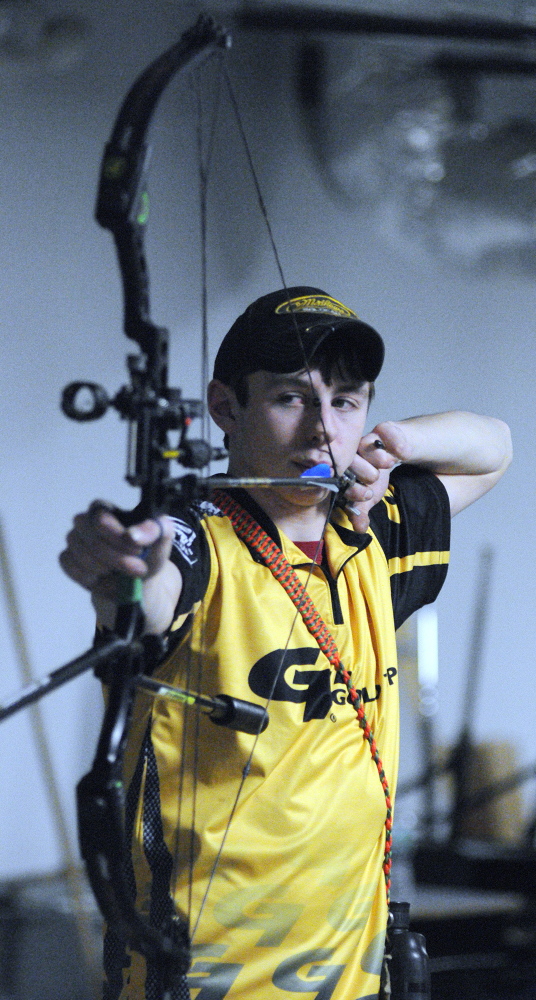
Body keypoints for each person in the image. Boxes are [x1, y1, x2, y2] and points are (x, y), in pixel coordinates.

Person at [60, 287, 512, 1000]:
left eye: (345, 401)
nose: (322, 432)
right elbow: (147, 595)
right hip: (206, 977)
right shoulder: (193, 540)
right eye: (292, 398)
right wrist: (123, 571)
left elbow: (494, 447)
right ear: (225, 408)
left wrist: (393, 447)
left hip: (352, 976)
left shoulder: (374, 531)